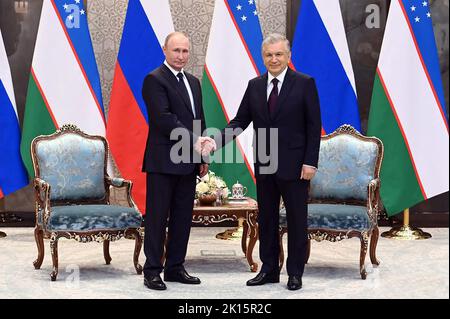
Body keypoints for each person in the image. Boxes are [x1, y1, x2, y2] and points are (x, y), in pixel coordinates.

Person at [212, 33, 321, 290]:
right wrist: (214, 142)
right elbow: (239, 122)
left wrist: (310, 162)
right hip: (265, 162)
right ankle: (269, 270)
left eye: (279, 54)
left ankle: (295, 272)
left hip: (296, 166)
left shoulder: (305, 84)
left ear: (288, 56)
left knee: (296, 220)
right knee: (268, 220)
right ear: (263, 57)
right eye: (269, 55)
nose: (274, 59)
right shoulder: (254, 85)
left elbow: (313, 125)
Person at [141, 31, 213, 290]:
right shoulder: (154, 79)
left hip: (190, 160)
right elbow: (163, 119)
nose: (181, 56)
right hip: (163, 161)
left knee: (183, 217)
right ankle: (152, 270)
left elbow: (199, 121)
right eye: (176, 51)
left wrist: (203, 155)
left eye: (185, 51)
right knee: (158, 217)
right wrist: (194, 142)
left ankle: (175, 267)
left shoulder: (193, 81)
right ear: (164, 50)